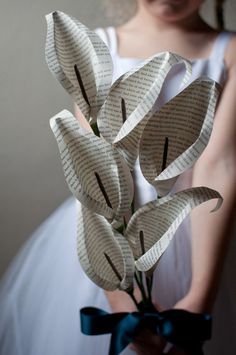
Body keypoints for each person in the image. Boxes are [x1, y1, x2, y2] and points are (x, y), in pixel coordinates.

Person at [0, 0, 235, 354]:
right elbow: (96, 168)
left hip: (202, 236)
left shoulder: (230, 51)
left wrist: (201, 295)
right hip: (111, 235)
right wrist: (122, 293)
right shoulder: (95, 48)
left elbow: (219, 165)